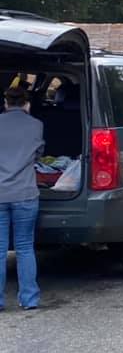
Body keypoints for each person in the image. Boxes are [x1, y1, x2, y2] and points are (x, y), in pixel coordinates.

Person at [0, 87, 43, 310]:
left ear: (5, 102)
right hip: (26, 194)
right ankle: (29, 299)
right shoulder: (36, 125)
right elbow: (38, 154)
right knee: (25, 247)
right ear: (27, 103)